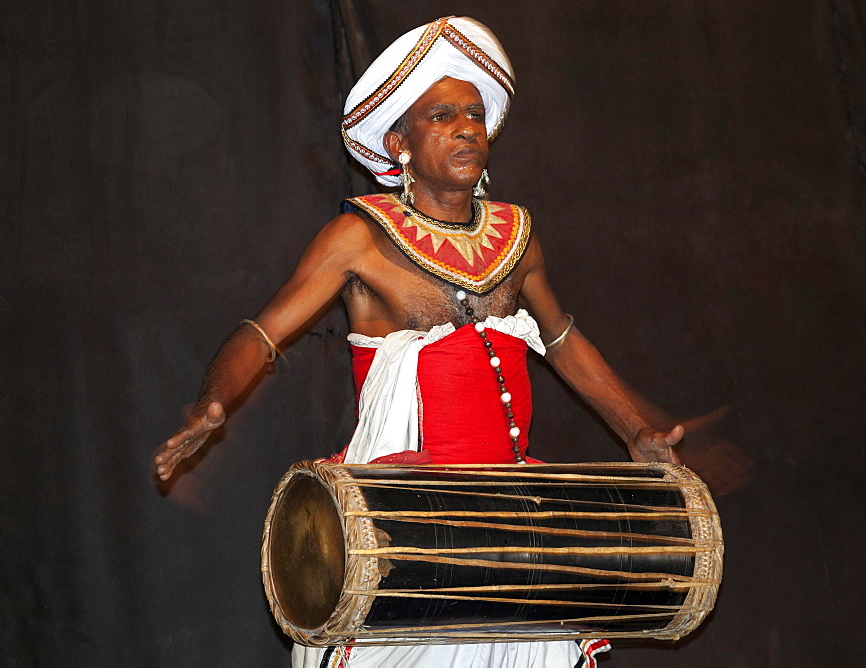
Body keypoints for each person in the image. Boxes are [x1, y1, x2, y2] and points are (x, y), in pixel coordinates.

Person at [154, 16, 683, 668]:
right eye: (441, 116)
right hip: (407, 521)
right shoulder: (358, 240)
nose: (466, 126)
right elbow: (262, 332)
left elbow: (564, 340)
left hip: (513, 521)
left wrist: (634, 430)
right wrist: (213, 405)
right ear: (399, 142)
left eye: (473, 113)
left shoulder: (517, 238)